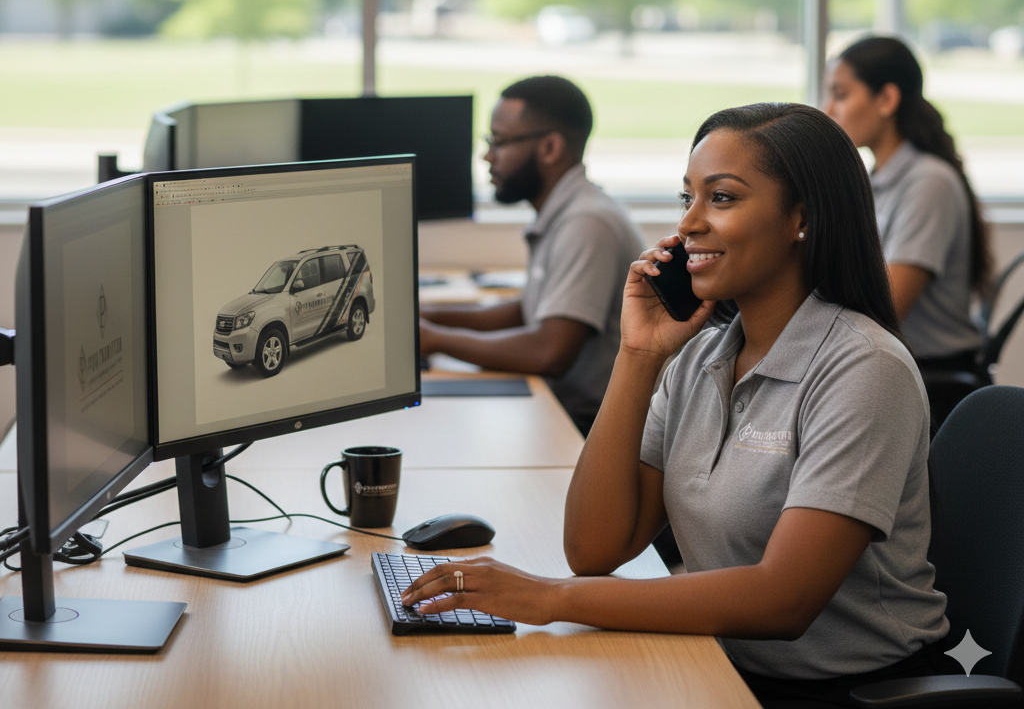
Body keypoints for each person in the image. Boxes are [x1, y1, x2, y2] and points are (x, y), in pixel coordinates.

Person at [403, 104, 951, 706]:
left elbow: (783, 600)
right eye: (685, 197)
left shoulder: (863, 369)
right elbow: (595, 548)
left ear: (801, 217)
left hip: (845, 691)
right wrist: (638, 356)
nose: (688, 223)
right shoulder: (701, 354)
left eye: (721, 198)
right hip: (716, 660)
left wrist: (549, 597)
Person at [419, 76, 644, 435]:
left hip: (590, 427)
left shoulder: (586, 222)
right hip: (566, 414)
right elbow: (529, 310)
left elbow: (549, 351)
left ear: (550, 148)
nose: (487, 155)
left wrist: (434, 338)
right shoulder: (566, 211)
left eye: (499, 141)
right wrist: (426, 317)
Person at [825, 36, 992, 412]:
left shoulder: (928, 182)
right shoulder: (878, 179)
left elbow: (886, 305)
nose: (828, 109)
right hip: (895, 364)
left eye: (840, 94)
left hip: (935, 382)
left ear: (886, 99)